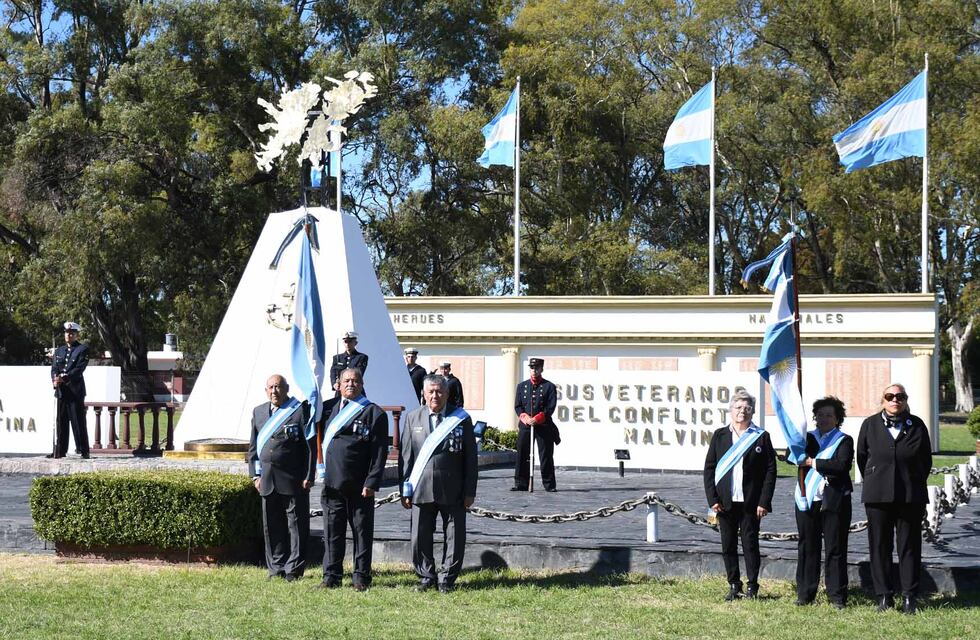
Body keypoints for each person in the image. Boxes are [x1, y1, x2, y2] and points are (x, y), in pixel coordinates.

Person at [857, 383, 932, 614]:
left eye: (900, 396)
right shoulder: (870, 424)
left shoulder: (917, 425)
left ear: (905, 399)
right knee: (880, 546)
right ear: (883, 400)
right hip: (878, 496)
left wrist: (910, 480)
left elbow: (925, 461)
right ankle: (884, 596)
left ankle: (910, 596)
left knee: (909, 547)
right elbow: (861, 457)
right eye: (890, 396)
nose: (895, 400)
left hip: (910, 496)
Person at [399, 374, 477, 593]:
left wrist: (470, 490)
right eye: (431, 391)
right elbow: (406, 456)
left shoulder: (461, 418)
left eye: (439, 391)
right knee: (420, 535)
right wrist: (404, 488)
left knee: (454, 535)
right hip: (420, 487)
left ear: (447, 393)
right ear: (423, 394)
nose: (435, 395)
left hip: (453, 487)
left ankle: (447, 578)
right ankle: (426, 576)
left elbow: (471, 459)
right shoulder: (413, 418)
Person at [317, 368, 389, 591]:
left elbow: (379, 453)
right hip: (332, 483)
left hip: (360, 485)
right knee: (332, 532)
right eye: (346, 380)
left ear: (362, 384)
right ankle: (331, 575)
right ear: (338, 384)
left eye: (355, 381)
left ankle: (360, 577)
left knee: (361, 533)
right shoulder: (327, 410)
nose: (351, 384)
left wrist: (372, 482)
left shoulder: (374, 413)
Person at [703, 389, 776, 601]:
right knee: (727, 545)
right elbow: (709, 468)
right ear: (730, 411)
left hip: (751, 503)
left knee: (750, 545)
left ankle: (753, 585)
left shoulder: (761, 437)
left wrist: (764, 501)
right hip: (724, 503)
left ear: (752, 412)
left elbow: (770, 471)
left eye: (747, 408)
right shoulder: (720, 435)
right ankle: (734, 584)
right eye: (738, 407)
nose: (742, 412)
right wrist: (713, 499)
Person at [247, 374, 315, 581]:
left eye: (278, 387)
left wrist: (309, 474)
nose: (274, 391)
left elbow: (309, 447)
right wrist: (255, 476)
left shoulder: (300, 411)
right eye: (270, 387)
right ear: (265, 390)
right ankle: (275, 567)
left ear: (286, 389)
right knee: (272, 526)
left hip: (293, 479)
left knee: (296, 526)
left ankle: (294, 568)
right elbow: (253, 449)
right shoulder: (258, 412)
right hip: (266, 480)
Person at [794, 396, 853, 609]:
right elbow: (793, 457)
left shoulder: (844, 440)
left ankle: (837, 596)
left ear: (837, 419)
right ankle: (805, 593)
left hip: (834, 499)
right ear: (815, 417)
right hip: (807, 498)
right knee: (808, 546)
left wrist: (812, 462)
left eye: (829, 415)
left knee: (835, 548)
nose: (824, 419)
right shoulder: (805, 438)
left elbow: (841, 465)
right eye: (820, 415)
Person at [512, 357, 560, 492]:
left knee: (545, 455)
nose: (534, 370)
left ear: (541, 369)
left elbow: (550, 407)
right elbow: (518, 406)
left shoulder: (549, 386)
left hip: (543, 425)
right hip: (526, 425)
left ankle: (549, 484)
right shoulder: (522, 386)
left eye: (537, 368)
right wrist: (524, 417)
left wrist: (538, 418)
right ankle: (521, 483)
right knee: (522, 453)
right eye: (532, 368)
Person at [48, 321, 90, 459]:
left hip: (75, 392)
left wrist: (64, 378)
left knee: (78, 422)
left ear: (76, 335)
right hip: (61, 392)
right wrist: (55, 379)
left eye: (71, 333)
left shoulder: (82, 349)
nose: (68, 335)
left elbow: (79, 369)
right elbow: (54, 368)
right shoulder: (59, 351)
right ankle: (60, 450)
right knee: (61, 421)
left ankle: (83, 450)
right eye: (67, 333)